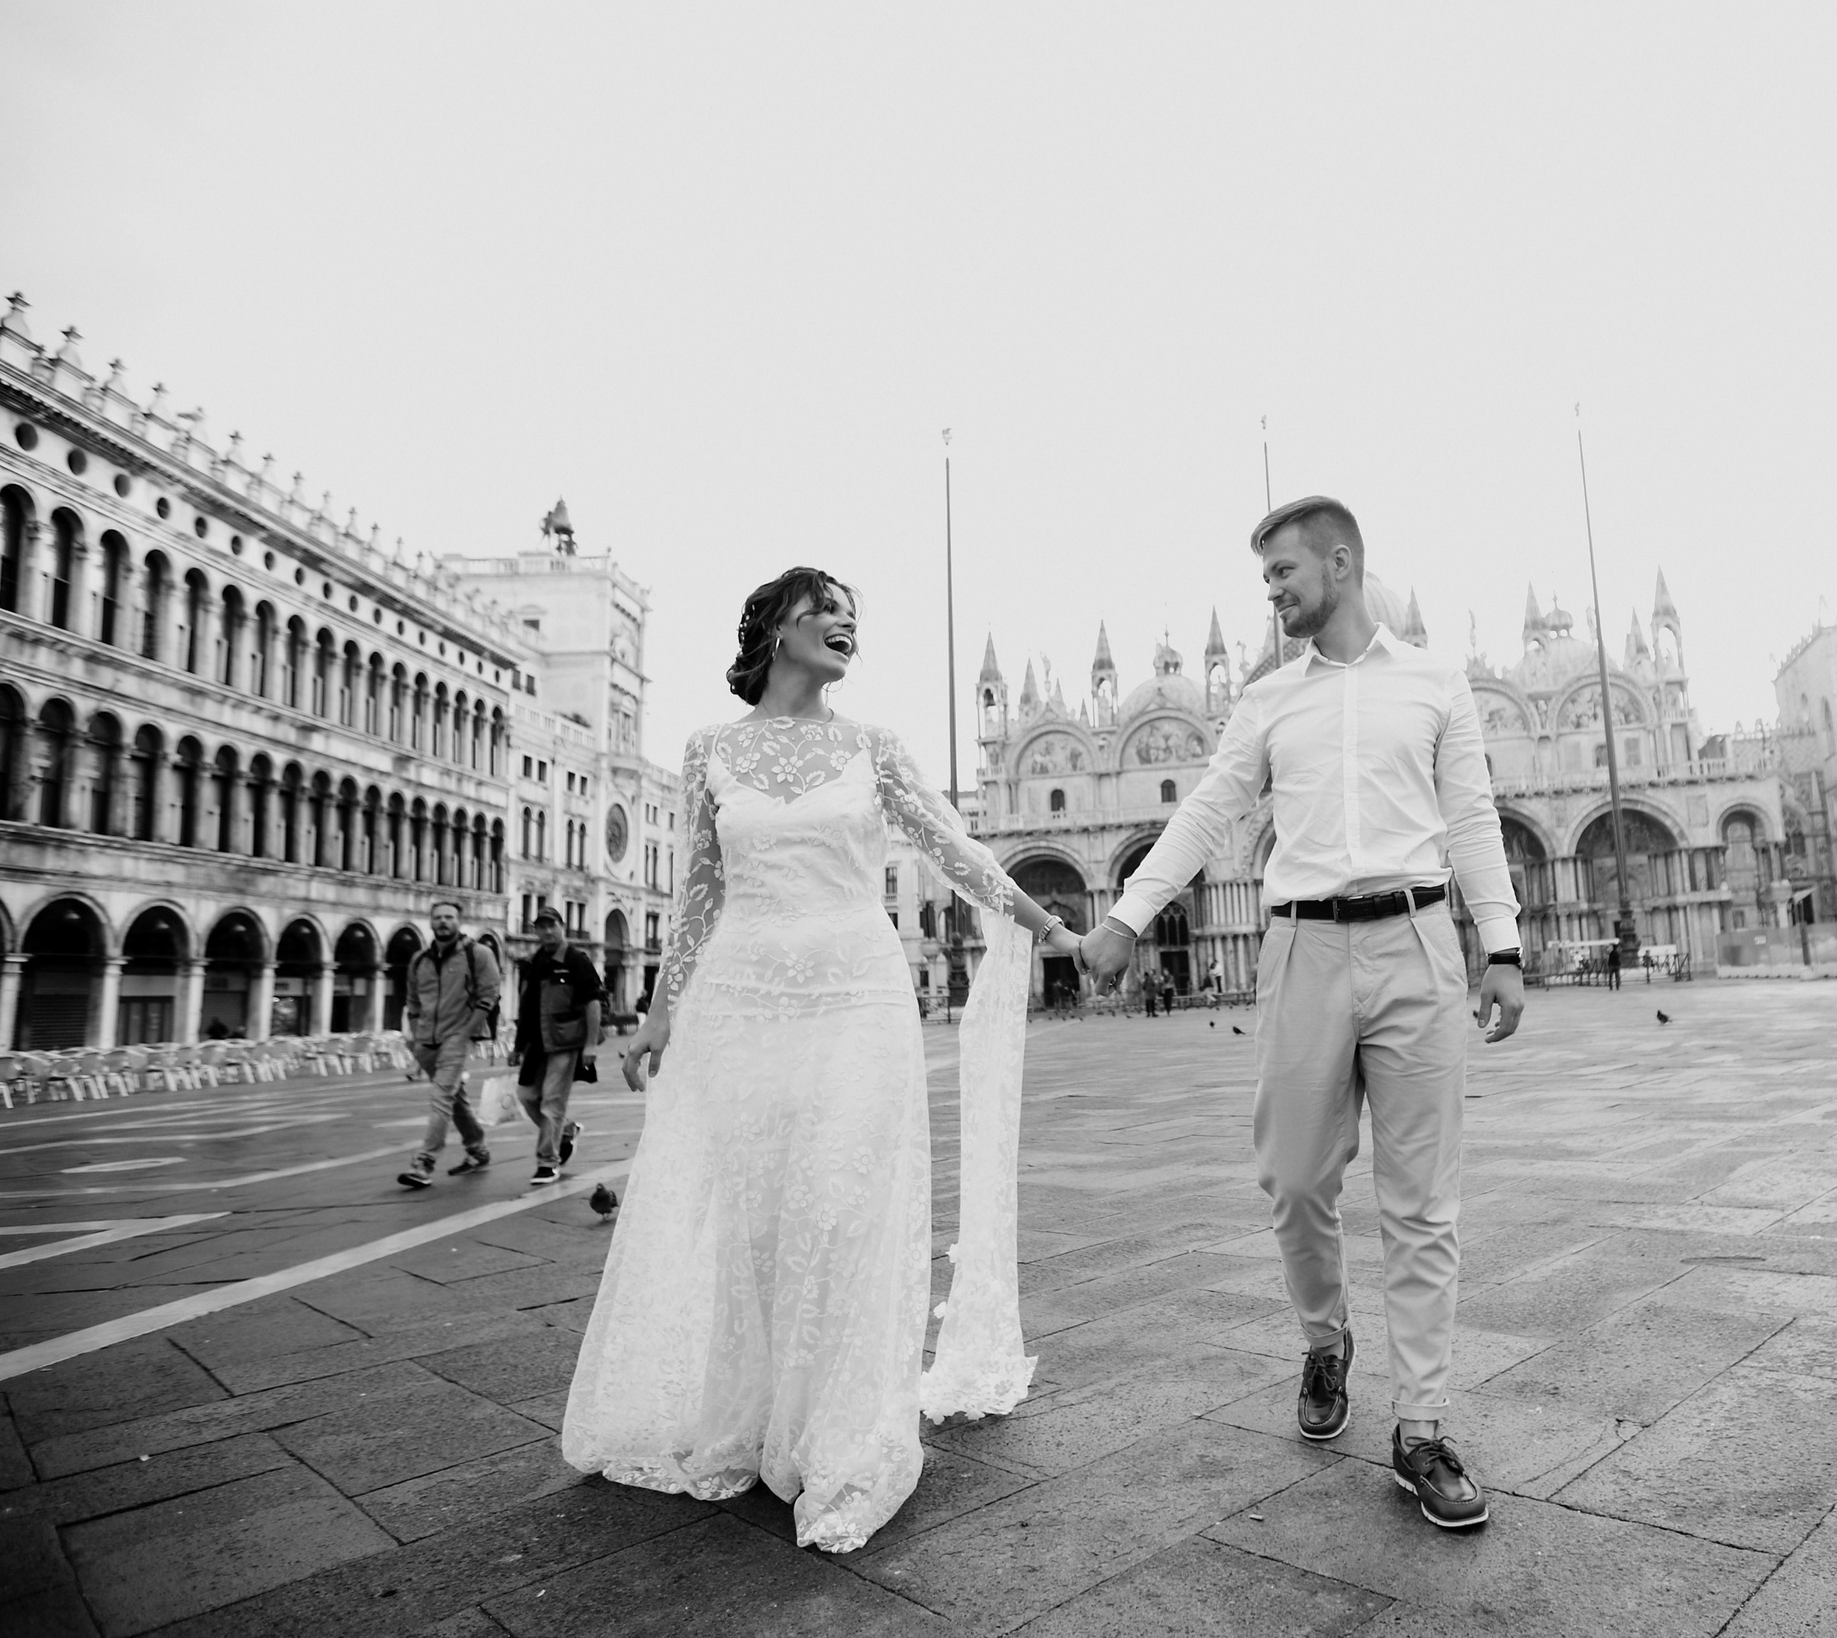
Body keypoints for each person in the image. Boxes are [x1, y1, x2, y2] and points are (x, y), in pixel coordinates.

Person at [562, 567, 1085, 1553]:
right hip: (741, 1007)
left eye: (855, 613)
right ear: (773, 627)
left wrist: (1049, 929)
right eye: (826, 608)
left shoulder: (871, 747)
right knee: (756, 1220)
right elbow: (696, 900)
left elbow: (958, 848)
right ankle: (759, 1422)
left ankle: (843, 1433)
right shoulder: (709, 748)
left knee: (842, 1209)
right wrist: (657, 1016)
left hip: (858, 998)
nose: (847, 622)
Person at [1081, 497, 1526, 1531]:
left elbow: (1470, 818)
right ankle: (1324, 1339)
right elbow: (1207, 809)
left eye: (1282, 571)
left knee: (1422, 1205)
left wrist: (1498, 947)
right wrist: (1126, 916)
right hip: (1301, 947)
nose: (1272, 591)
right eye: (1264, 578)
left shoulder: (1434, 681)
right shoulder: (1269, 700)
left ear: (1340, 562)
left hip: (1418, 940)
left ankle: (1421, 1429)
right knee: (1293, 1177)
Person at [398, 900, 502, 1189]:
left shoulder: (478, 954)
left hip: (457, 1038)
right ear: (431, 922)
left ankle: (424, 1162)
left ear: (459, 921)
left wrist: (466, 1032)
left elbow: (489, 995)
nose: (443, 922)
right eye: (438, 917)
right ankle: (477, 1149)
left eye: (449, 917)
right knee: (454, 1098)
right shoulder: (420, 960)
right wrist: (416, 1032)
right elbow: (412, 999)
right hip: (425, 1042)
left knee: (441, 1097)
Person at [515, 907, 601, 1187]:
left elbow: (593, 1002)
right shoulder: (533, 962)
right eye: (541, 927)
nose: (547, 931)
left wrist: (590, 1044)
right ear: (536, 931)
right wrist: (517, 1046)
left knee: (552, 1101)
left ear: (562, 927)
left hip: (565, 1042)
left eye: (552, 926)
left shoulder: (576, 960)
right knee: (527, 1096)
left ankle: (547, 1163)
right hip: (537, 1044)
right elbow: (526, 1007)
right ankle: (566, 1130)